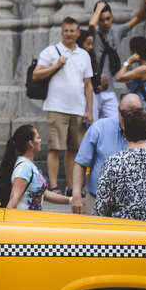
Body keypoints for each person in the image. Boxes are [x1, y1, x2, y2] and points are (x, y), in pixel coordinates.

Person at [70, 94, 146, 215]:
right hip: (97, 199)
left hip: (137, 207)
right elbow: (81, 162)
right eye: (124, 113)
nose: (128, 117)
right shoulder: (99, 128)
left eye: (135, 113)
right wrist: (76, 194)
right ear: (118, 109)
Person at [32, 17, 94, 193]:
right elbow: (36, 75)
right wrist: (57, 64)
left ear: (78, 33)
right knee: (55, 148)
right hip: (56, 107)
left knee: (74, 149)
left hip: (78, 108)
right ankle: (53, 186)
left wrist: (89, 110)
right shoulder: (51, 51)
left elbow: (88, 84)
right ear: (62, 32)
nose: (69, 34)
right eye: (66, 30)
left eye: (72, 31)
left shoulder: (84, 54)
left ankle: (71, 186)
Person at [87, 0, 146, 119]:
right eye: (102, 20)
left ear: (112, 18)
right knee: (92, 126)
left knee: (116, 123)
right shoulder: (94, 36)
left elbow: (137, 18)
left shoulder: (116, 32)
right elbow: (91, 25)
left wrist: (145, 4)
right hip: (93, 90)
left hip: (109, 89)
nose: (105, 23)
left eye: (108, 19)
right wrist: (98, 8)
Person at [0, 125, 70, 211]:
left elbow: (43, 193)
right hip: (23, 221)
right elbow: (14, 198)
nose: (40, 140)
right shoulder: (24, 168)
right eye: (37, 138)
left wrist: (70, 200)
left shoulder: (29, 166)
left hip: (32, 220)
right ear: (31, 143)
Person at [115, 36, 146, 116]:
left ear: (135, 51)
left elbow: (119, 77)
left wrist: (128, 61)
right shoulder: (144, 67)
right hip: (140, 106)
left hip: (143, 107)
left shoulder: (144, 69)